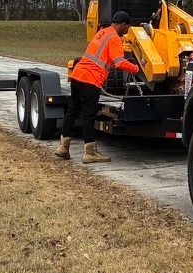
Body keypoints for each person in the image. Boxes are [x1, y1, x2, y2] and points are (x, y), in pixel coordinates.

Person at [56, 11, 140, 162]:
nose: (126, 32)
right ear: (122, 25)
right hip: (90, 79)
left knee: (73, 111)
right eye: (127, 28)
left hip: (77, 74)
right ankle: (90, 153)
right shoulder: (114, 37)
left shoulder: (102, 32)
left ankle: (63, 146)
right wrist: (136, 68)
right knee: (88, 115)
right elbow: (119, 62)